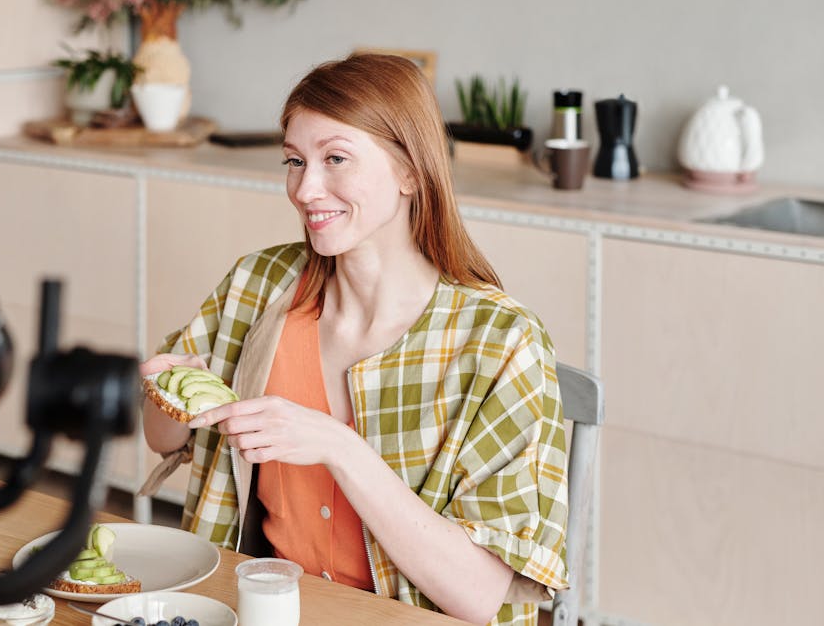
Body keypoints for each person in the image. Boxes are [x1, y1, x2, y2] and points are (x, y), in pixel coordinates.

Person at [139, 54, 568, 626]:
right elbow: (160, 437)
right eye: (295, 161)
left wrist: (339, 448)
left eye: (335, 158)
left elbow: (478, 595)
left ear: (411, 171)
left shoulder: (501, 341)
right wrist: (169, 390)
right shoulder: (259, 285)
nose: (305, 188)